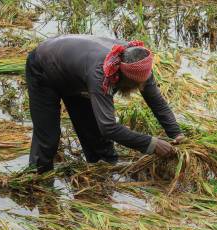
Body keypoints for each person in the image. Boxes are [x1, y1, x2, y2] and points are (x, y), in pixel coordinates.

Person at [25, 35, 184, 173]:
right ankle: (38, 180)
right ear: (122, 77)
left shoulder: (140, 64)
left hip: (77, 72)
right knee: (48, 138)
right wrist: (152, 144)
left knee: (99, 145)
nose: (141, 88)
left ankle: (102, 181)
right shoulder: (103, 74)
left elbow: (156, 101)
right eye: (136, 85)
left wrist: (176, 133)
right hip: (44, 68)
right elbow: (108, 127)